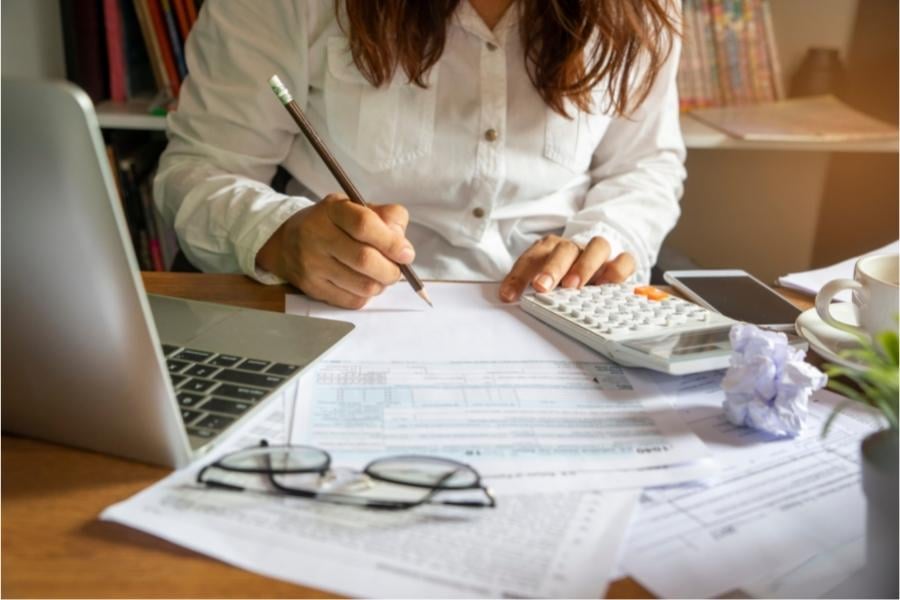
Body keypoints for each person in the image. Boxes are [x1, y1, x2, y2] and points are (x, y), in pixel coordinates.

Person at [155, 0, 685, 309]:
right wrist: (277, 235)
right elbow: (200, 168)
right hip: (340, 312)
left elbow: (645, 165)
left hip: (560, 315)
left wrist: (604, 241)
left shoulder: (641, 9)